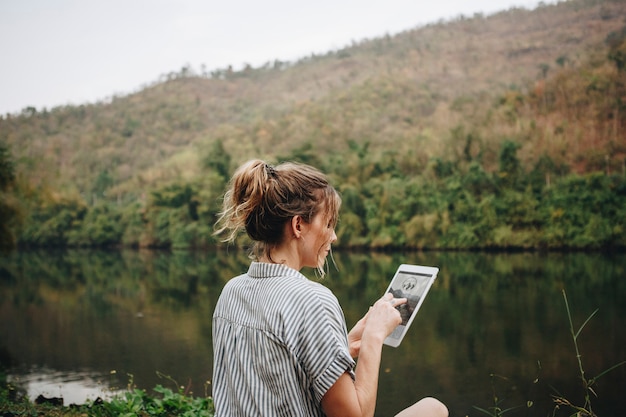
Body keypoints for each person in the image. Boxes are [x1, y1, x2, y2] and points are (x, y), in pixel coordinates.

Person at [212, 159, 448, 417]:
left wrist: (342, 347)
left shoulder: (231, 291)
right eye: (328, 224)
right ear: (298, 225)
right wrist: (373, 339)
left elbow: (274, 374)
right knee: (433, 409)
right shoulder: (313, 300)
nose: (333, 236)